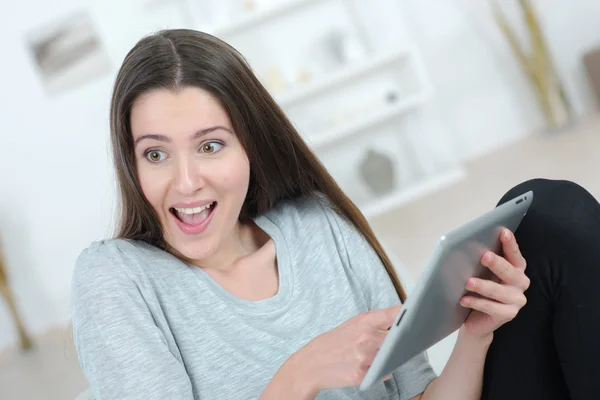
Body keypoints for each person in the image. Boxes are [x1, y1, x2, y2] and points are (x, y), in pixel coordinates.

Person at [70, 29, 600, 400]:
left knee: (551, 212)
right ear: (132, 163)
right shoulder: (118, 278)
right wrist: (296, 379)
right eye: (156, 154)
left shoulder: (316, 225)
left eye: (210, 146)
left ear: (250, 146)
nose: (185, 182)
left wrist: (477, 333)